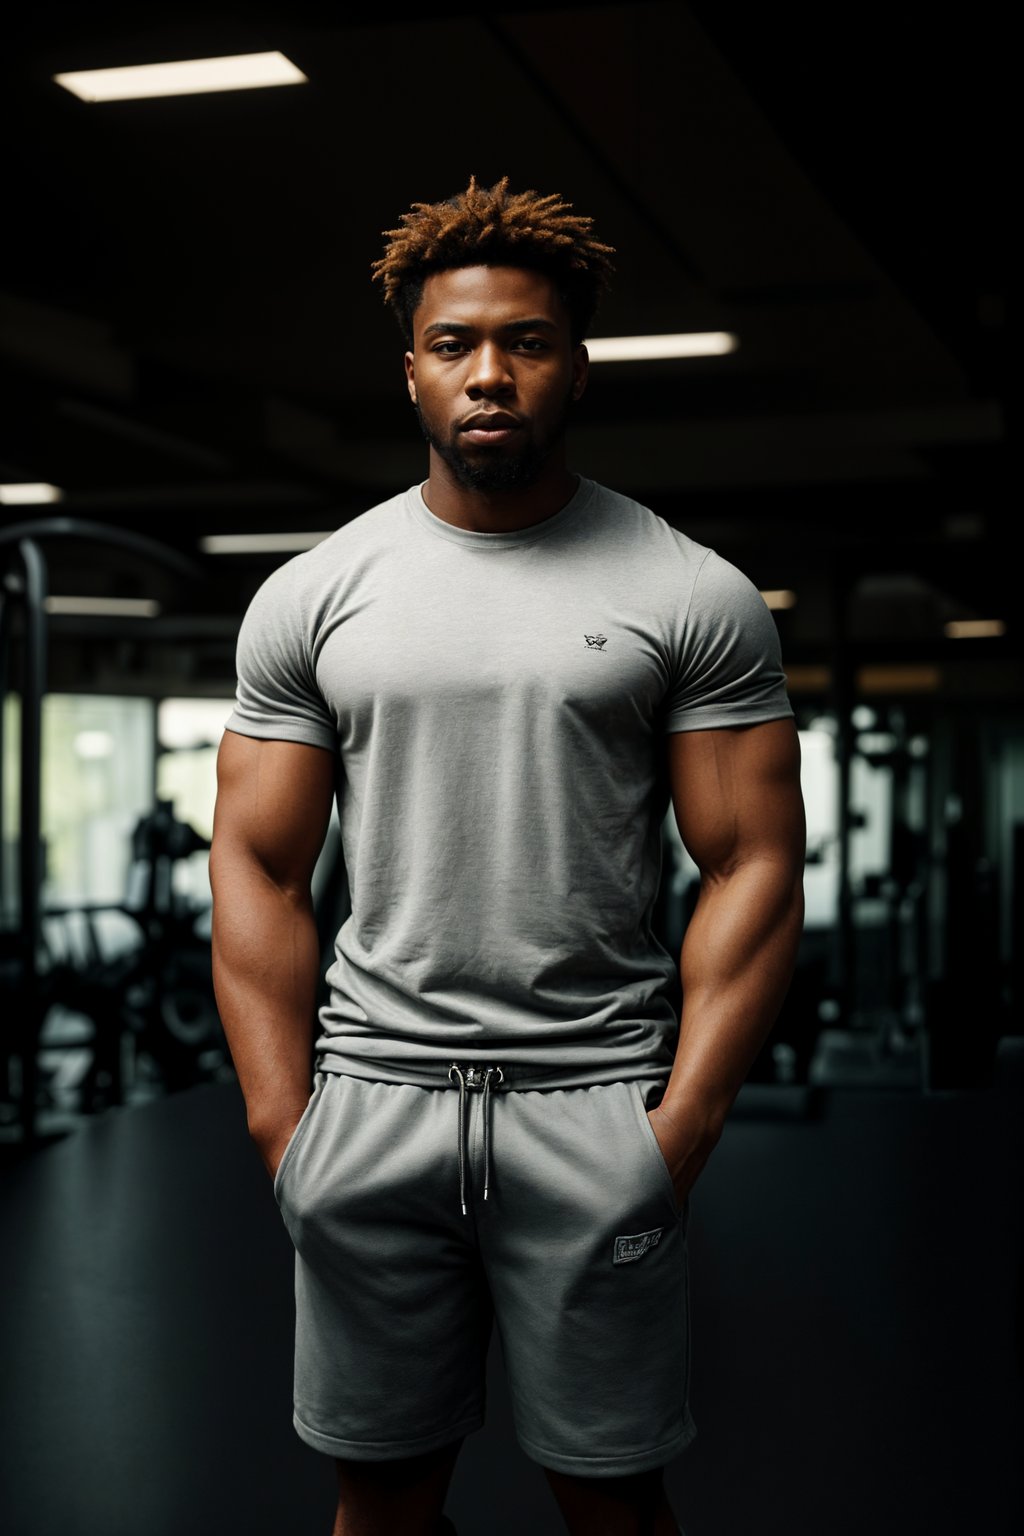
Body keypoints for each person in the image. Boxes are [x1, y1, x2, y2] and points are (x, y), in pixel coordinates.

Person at [210, 175, 806, 1536]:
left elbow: (757, 859)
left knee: (611, 1503)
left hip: (590, 1108)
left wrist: (679, 1129)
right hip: (370, 1105)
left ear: (577, 368)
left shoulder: (685, 592)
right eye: (455, 345)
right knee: (381, 1501)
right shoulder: (315, 594)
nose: (492, 374)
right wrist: (281, 1124)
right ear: (410, 372)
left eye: (528, 342)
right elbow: (257, 865)